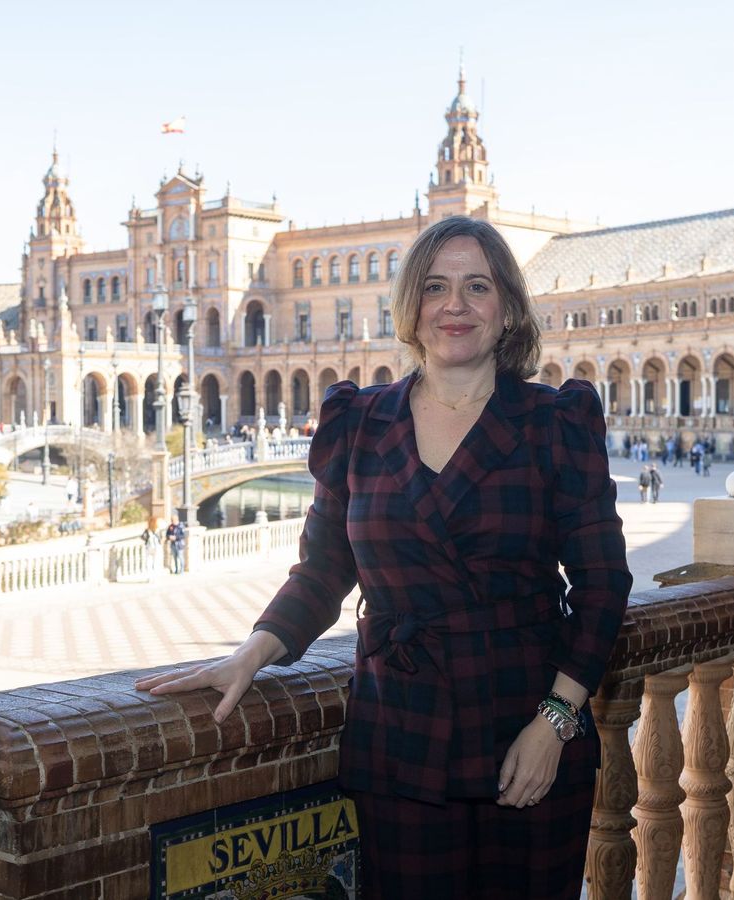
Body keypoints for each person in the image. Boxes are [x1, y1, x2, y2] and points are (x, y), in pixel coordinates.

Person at [138, 216, 633, 899]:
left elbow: (603, 585)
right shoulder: (360, 423)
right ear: (411, 307)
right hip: (403, 735)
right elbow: (323, 568)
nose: (454, 304)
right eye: (435, 286)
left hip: (525, 731)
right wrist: (250, 653)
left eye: (476, 286)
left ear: (508, 308)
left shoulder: (556, 423)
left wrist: (556, 720)